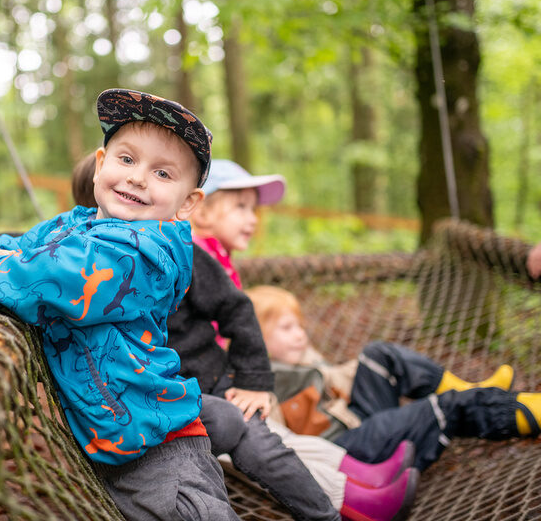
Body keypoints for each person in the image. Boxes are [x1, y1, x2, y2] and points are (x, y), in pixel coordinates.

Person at [0, 88, 238, 521]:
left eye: (162, 173)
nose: (138, 177)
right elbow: (7, 245)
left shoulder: (149, 252)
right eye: (126, 159)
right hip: (109, 444)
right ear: (100, 165)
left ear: (187, 203)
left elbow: (57, 277)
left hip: (161, 449)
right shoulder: (72, 226)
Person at [71, 154, 417, 521]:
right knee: (257, 441)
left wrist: (253, 381)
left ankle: (343, 501)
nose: (130, 196)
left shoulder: (176, 251)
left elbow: (237, 309)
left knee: (265, 441)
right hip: (166, 401)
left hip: (215, 381)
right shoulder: (80, 262)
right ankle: (353, 493)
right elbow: (30, 249)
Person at [246, 284, 541, 471]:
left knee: (379, 355)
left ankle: (470, 388)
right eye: (287, 328)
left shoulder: (300, 361)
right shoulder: (256, 384)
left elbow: (332, 378)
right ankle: (521, 413)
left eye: (300, 326)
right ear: (255, 338)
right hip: (342, 453)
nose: (300, 335)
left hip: (359, 422)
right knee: (443, 406)